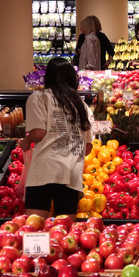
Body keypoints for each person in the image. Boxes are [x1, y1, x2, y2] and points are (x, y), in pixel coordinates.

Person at [19, 57, 93, 219]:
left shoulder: (38, 98)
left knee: (35, 228)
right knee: (65, 233)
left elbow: (38, 132)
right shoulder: (82, 105)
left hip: (45, 170)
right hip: (71, 173)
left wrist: (25, 142)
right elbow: (87, 149)